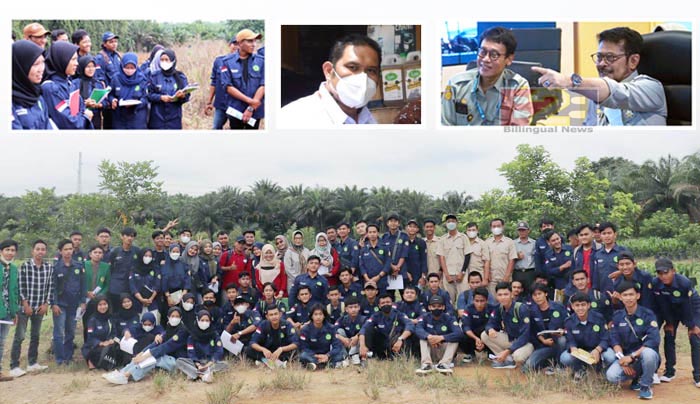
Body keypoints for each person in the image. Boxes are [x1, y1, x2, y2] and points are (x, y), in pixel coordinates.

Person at [532, 27, 666, 126]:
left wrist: (569, 81)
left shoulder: (651, 88)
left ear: (633, 61)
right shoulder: (596, 96)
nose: (601, 64)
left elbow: (615, 91)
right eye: (599, 57)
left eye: (610, 57)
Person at [279, 34, 382, 127]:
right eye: (352, 67)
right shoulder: (293, 119)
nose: (362, 78)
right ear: (328, 71)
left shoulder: (368, 119)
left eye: (371, 70)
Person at [442, 26, 533, 126]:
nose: (485, 59)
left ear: (509, 59)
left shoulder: (518, 87)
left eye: (494, 55)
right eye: (483, 52)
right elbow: (445, 126)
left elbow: (518, 132)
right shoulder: (456, 85)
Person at [104, 306, 189, 384]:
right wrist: (142, 353)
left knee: (152, 358)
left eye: (177, 316)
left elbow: (166, 347)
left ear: (181, 318)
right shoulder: (169, 329)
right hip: (167, 359)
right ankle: (121, 372)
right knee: (144, 356)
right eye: (172, 316)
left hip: (177, 362)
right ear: (168, 317)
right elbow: (155, 343)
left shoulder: (182, 331)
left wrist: (145, 356)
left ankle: (127, 375)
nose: (174, 318)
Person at [606, 281, 661, 399]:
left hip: (642, 355)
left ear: (638, 296)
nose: (628, 298)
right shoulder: (617, 316)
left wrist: (631, 357)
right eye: (625, 295)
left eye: (631, 294)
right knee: (611, 376)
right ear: (620, 297)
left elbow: (653, 340)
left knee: (649, 354)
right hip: (626, 357)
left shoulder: (648, 315)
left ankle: (645, 385)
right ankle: (636, 378)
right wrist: (623, 360)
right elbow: (614, 341)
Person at [651, 257, 700, 386]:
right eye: (660, 273)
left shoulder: (684, 283)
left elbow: (688, 305)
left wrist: (692, 325)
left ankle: (698, 376)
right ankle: (669, 371)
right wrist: (669, 322)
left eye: (666, 272)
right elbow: (662, 304)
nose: (663, 276)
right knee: (669, 335)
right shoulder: (656, 283)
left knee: (695, 337)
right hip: (670, 308)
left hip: (690, 306)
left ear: (673, 271)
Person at [10, 240, 53, 377]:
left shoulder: (49, 267)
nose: (40, 251)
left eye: (43, 249)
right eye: (38, 249)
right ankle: (14, 366)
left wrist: (46, 304)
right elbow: (20, 286)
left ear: (45, 251)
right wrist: (25, 304)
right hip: (25, 308)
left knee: (35, 336)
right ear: (32, 251)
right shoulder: (25, 266)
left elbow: (50, 287)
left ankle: (32, 363)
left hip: (40, 308)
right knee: (20, 336)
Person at [560, 291, 615, 378]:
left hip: (598, 350)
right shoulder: (569, 321)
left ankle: (602, 372)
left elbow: (605, 338)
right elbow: (570, 340)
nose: (580, 308)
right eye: (577, 305)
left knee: (610, 356)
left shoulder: (599, 318)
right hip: (580, 352)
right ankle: (580, 370)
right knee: (565, 358)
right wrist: (573, 349)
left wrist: (597, 350)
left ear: (588, 305)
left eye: (583, 305)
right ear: (573, 307)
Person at [482, 281, 534, 369]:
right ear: (496, 296)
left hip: (526, 343)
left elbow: (525, 335)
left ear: (512, 295)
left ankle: (514, 356)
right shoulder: (500, 308)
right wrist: (490, 329)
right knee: (485, 335)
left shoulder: (521, 308)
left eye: (506, 294)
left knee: (518, 357)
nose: (503, 298)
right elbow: (490, 323)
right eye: (500, 295)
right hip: (511, 339)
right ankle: (508, 360)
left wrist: (508, 351)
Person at [41, 41, 93, 129]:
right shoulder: (50, 88)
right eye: (73, 59)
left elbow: (81, 109)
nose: (77, 63)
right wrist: (86, 117)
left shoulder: (69, 83)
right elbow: (68, 122)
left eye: (76, 59)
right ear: (62, 60)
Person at [51, 239, 86, 365]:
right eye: (65, 249)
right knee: (59, 332)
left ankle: (68, 357)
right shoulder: (55, 267)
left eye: (70, 249)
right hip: (60, 304)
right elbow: (53, 287)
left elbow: (83, 285)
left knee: (70, 332)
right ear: (60, 251)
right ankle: (60, 359)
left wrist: (83, 302)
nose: (68, 252)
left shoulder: (79, 266)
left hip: (74, 304)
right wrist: (53, 303)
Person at [221, 29, 265, 129]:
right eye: (250, 41)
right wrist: (250, 101)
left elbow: (263, 85)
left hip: (254, 111)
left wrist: (251, 107)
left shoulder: (261, 61)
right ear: (240, 43)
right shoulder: (227, 62)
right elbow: (228, 86)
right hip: (236, 110)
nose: (253, 44)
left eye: (255, 41)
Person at [522, 283, 568, 373]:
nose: (537, 297)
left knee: (562, 340)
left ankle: (560, 366)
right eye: (534, 295)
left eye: (540, 294)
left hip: (560, 343)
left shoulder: (558, 307)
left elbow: (569, 323)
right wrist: (543, 340)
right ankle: (547, 363)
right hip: (543, 345)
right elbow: (532, 331)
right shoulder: (531, 311)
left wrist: (563, 330)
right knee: (527, 368)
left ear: (546, 294)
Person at [414, 295, 462, 375]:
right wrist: (429, 337)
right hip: (431, 350)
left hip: (444, 351)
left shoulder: (450, 318)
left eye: (439, 306)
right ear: (429, 307)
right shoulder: (424, 317)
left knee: (455, 339)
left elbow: (459, 333)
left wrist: (441, 338)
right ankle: (427, 365)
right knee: (423, 338)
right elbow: (418, 329)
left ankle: (444, 365)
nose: (436, 309)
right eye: (434, 306)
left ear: (443, 307)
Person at [12, 40, 54, 129]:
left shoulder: (38, 98)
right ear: (20, 67)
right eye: (35, 64)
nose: (41, 69)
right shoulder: (9, 103)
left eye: (42, 62)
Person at [359, 293, 414, 361]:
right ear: (379, 305)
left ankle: (402, 357)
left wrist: (400, 339)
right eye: (383, 303)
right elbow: (364, 329)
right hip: (382, 345)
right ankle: (366, 357)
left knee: (407, 335)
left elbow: (410, 325)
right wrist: (362, 346)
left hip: (396, 344)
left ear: (392, 303)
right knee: (369, 330)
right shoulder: (376, 316)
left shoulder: (399, 314)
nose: (386, 304)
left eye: (388, 302)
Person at [176, 310, 228, 383]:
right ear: (198, 321)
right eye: (202, 320)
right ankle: (203, 376)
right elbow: (191, 353)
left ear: (210, 322)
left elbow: (219, 351)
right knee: (179, 361)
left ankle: (193, 374)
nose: (204, 322)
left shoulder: (214, 335)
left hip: (210, 363)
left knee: (225, 365)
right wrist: (199, 366)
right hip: (196, 363)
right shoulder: (192, 336)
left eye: (207, 320)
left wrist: (208, 365)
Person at [147, 49, 191, 129]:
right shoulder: (154, 76)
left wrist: (182, 96)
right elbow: (148, 95)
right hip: (157, 118)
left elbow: (187, 96)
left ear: (173, 61)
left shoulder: (180, 77)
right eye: (162, 60)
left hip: (174, 118)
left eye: (166, 60)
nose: (164, 62)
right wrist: (160, 97)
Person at [246, 304, 298, 368]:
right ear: (267, 317)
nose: (274, 317)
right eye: (271, 315)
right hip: (267, 353)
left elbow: (295, 343)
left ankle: (267, 363)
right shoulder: (263, 324)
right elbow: (253, 342)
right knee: (249, 349)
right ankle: (270, 362)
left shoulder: (287, 324)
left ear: (280, 314)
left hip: (281, 352)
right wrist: (263, 349)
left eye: (276, 314)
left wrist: (281, 349)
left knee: (295, 351)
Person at [299, 303, 346, 370]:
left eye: (320, 314)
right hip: (313, 355)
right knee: (303, 356)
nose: (318, 317)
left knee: (342, 353)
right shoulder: (305, 329)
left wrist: (327, 355)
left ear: (324, 316)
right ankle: (329, 365)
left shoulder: (331, 328)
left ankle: (316, 365)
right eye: (315, 314)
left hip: (327, 355)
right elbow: (304, 347)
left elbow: (337, 346)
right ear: (311, 316)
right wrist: (316, 356)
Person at [436, 214, 470, 304]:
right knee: (449, 301)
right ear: (446, 224)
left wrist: (462, 273)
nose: (451, 223)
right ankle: (451, 317)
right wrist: (446, 275)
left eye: (453, 221)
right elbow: (441, 258)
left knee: (464, 299)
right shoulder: (442, 239)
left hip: (462, 275)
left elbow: (467, 256)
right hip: (448, 275)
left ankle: (463, 317)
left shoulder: (463, 237)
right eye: (448, 221)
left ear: (457, 223)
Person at [109, 53, 148, 129]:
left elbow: (146, 98)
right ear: (122, 65)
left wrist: (137, 104)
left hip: (137, 118)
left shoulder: (142, 79)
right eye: (127, 67)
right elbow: (110, 94)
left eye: (132, 67)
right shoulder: (116, 78)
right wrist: (112, 100)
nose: (129, 70)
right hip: (119, 118)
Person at [206, 37, 239, 129]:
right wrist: (209, 102)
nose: (237, 47)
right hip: (221, 104)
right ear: (229, 45)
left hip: (237, 105)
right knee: (216, 128)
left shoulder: (246, 62)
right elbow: (214, 82)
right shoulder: (220, 61)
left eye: (239, 44)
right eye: (235, 44)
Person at [460, 286, 496, 364]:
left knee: (494, 331)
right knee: (462, 334)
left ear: (486, 300)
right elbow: (466, 327)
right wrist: (476, 339)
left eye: (482, 301)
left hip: (486, 335)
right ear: (473, 300)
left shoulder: (492, 309)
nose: (479, 304)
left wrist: (483, 340)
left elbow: (493, 324)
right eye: (477, 301)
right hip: (473, 336)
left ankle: (491, 353)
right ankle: (470, 353)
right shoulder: (468, 308)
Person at [0, 240, 20, 382]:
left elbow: (14, 291)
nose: (10, 252)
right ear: (1, 251)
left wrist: (14, 312)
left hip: (7, 311)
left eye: (12, 250)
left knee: (1, 342)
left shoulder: (13, 268)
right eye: (7, 249)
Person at [83, 245, 111, 340]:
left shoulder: (106, 266)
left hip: (100, 300)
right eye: (95, 252)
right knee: (87, 322)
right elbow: (79, 282)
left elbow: (107, 284)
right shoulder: (84, 264)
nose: (97, 255)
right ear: (90, 254)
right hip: (86, 298)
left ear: (103, 255)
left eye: (100, 253)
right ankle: (87, 344)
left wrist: (99, 296)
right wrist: (86, 292)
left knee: (99, 322)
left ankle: (100, 344)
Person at [107, 227, 139, 309]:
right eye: (127, 235)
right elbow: (110, 269)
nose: (129, 238)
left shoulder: (137, 251)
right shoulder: (115, 252)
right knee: (115, 311)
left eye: (132, 236)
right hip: (116, 288)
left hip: (131, 288)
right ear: (121, 236)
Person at [81, 296, 116, 370]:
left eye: (105, 304)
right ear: (96, 306)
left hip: (108, 345)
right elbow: (90, 338)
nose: (103, 307)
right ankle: (91, 360)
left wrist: (110, 339)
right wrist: (101, 343)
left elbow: (114, 333)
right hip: (94, 346)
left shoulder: (110, 318)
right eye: (100, 305)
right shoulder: (92, 320)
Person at [485, 219, 518, 295]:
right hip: (492, 280)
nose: (496, 228)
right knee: (492, 302)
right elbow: (486, 260)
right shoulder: (487, 242)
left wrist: (506, 276)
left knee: (505, 301)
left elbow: (512, 260)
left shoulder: (510, 242)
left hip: (505, 278)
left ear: (503, 227)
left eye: (498, 226)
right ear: (491, 228)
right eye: (494, 226)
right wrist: (487, 275)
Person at [95, 31, 121, 128]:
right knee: (109, 124)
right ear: (104, 44)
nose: (114, 44)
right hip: (108, 96)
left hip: (118, 94)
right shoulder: (100, 58)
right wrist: (106, 98)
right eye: (111, 42)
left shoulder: (117, 56)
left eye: (115, 41)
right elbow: (100, 80)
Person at [76, 55, 108, 129]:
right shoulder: (75, 83)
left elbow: (106, 102)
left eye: (93, 66)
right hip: (81, 118)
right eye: (88, 67)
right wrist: (84, 104)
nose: (91, 69)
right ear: (82, 67)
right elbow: (72, 102)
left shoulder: (98, 83)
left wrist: (99, 105)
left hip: (96, 119)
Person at [381, 213, 409, 294]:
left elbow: (404, 254)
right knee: (389, 297)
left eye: (395, 221)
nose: (393, 223)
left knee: (405, 295)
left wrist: (397, 268)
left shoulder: (404, 236)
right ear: (387, 223)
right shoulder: (384, 237)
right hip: (388, 270)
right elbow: (384, 255)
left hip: (401, 271)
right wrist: (392, 267)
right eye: (391, 221)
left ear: (398, 223)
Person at [359, 224, 391, 293]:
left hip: (381, 281)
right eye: (370, 232)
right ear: (367, 234)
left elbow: (387, 264)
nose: (372, 234)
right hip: (368, 282)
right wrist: (367, 278)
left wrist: (378, 276)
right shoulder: (364, 248)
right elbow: (361, 265)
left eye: (374, 232)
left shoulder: (384, 247)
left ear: (378, 233)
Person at [543, 230, 574, 302]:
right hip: (558, 284)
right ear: (549, 242)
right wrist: (562, 267)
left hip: (572, 282)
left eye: (557, 239)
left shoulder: (570, 249)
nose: (557, 242)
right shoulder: (548, 254)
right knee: (560, 304)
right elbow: (549, 271)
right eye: (553, 240)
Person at [334, 296, 366, 365]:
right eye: (351, 307)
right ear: (346, 309)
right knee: (339, 331)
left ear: (359, 308)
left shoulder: (363, 319)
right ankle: (345, 356)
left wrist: (356, 336)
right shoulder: (342, 319)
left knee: (362, 334)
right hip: (347, 343)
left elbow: (365, 329)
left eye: (355, 307)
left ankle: (356, 355)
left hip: (357, 344)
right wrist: (343, 339)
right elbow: (333, 330)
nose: (353, 309)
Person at [129, 249, 160, 317]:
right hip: (137, 303)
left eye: (150, 256)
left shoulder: (155, 268)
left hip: (152, 303)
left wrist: (150, 299)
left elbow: (157, 285)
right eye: (146, 255)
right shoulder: (134, 269)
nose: (148, 258)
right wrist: (141, 299)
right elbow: (132, 286)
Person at [573, 224, 600, 289]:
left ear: (593, 234)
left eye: (586, 234)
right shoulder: (576, 251)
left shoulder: (600, 248)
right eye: (581, 235)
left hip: (598, 289)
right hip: (582, 289)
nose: (584, 237)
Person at [513, 221, 537, 291]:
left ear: (528, 230)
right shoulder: (513, 243)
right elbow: (509, 258)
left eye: (523, 230)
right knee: (517, 292)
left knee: (531, 291)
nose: (522, 232)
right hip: (517, 272)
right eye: (520, 230)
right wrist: (516, 256)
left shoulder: (534, 243)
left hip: (530, 272)